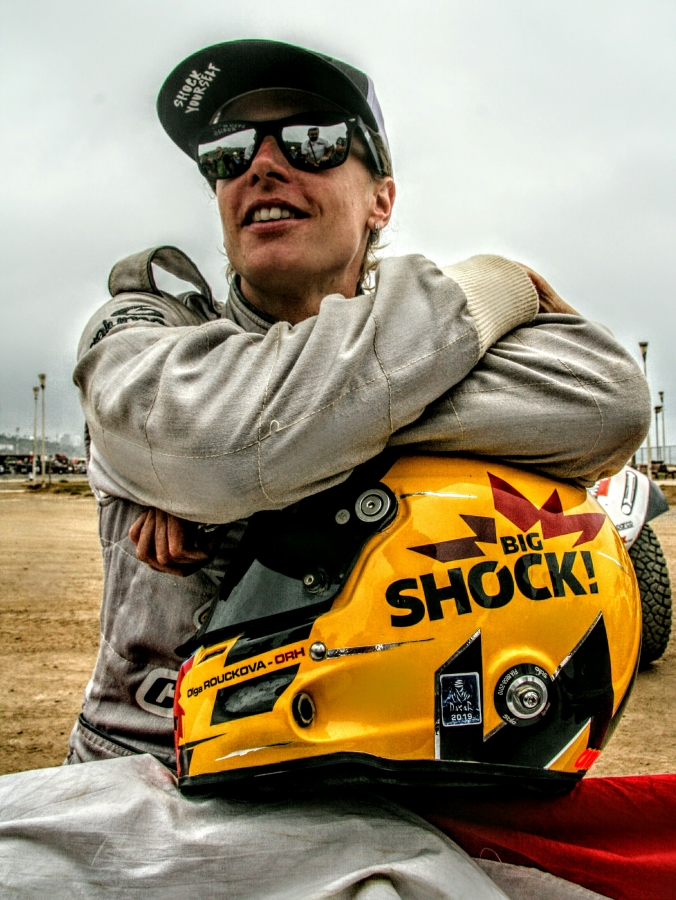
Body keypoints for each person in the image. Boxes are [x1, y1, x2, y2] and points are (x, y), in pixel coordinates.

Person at [66, 39, 649, 768]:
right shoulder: (147, 331)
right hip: (141, 770)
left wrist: (272, 450)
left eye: (312, 140)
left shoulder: (424, 338)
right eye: (229, 150)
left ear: (382, 201)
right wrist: (483, 292)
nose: (261, 165)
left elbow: (610, 399)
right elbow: (211, 435)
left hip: (372, 775)